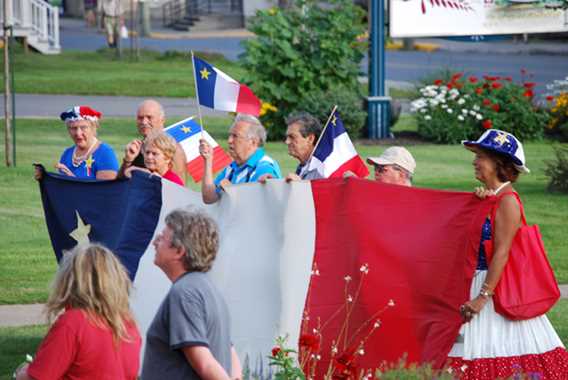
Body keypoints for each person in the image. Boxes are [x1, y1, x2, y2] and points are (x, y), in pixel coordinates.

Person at [447, 129, 568, 377]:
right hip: (477, 282)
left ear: (499, 163)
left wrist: (482, 297)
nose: (475, 161)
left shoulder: (508, 201)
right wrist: (479, 204)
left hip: (492, 288)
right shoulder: (493, 198)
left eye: (480, 156)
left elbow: (501, 252)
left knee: (489, 345)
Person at [140, 208, 242, 380]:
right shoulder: (209, 290)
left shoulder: (184, 292)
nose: (154, 243)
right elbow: (232, 357)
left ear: (179, 251)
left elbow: (205, 363)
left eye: (162, 238)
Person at [15, 243, 141, 380]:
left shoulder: (73, 324)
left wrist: (22, 373)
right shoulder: (128, 325)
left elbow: (38, 377)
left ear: (71, 280)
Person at [199, 113, 282, 204]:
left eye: (235, 136)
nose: (229, 140)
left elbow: (257, 206)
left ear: (253, 142)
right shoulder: (233, 167)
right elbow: (209, 198)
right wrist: (208, 160)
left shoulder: (265, 167)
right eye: (230, 135)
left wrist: (232, 191)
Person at [119, 99, 187, 180]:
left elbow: (178, 189)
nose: (144, 122)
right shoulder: (138, 146)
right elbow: (120, 184)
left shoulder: (173, 149)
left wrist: (143, 173)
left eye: (149, 117)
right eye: (140, 118)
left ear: (162, 120)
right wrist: (127, 160)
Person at [57, 105, 119, 180]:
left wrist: (73, 180)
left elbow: (106, 189)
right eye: (73, 128)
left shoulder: (105, 154)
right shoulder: (67, 154)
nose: (78, 133)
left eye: (83, 127)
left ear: (94, 127)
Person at [283, 112, 323, 181]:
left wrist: (299, 184)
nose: (287, 142)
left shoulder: (323, 170)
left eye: (292, 137)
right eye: (287, 137)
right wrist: (272, 182)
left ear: (310, 139)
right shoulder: (304, 166)